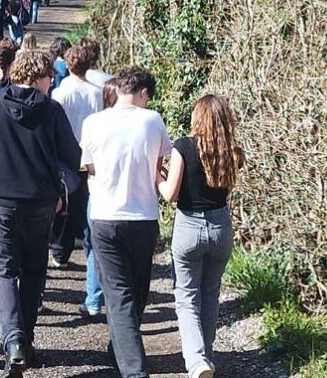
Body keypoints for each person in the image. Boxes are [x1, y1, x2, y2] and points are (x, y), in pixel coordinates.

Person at [0, 51, 81, 377]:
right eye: (49, 77)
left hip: (1, 200)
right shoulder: (51, 110)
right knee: (33, 270)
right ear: (37, 77)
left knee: (3, 270)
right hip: (41, 202)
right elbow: (72, 156)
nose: (51, 83)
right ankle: (26, 340)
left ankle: (14, 341)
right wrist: (62, 189)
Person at [80, 67, 172, 378]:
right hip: (143, 215)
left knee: (120, 292)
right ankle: (134, 370)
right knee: (136, 289)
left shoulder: (93, 122)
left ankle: (121, 347)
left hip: (105, 215)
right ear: (144, 92)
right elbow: (160, 165)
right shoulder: (153, 120)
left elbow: (88, 168)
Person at [156, 94, 244, 378]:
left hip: (189, 227)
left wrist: (158, 174)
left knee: (186, 297)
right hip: (220, 227)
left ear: (197, 117)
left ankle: (196, 362)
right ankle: (205, 354)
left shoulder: (183, 146)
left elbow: (171, 193)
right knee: (209, 294)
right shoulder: (232, 152)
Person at [48, 45, 100, 270]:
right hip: (91, 152)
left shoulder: (60, 92)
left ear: (68, 65)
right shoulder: (96, 92)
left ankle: (60, 250)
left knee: (64, 204)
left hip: (65, 152)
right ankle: (90, 248)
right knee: (87, 201)